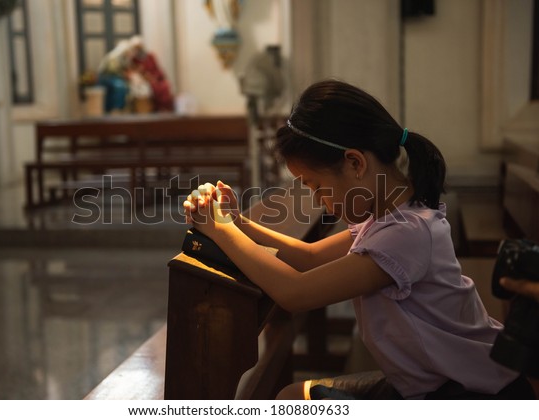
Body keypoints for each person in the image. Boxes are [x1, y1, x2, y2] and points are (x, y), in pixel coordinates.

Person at [183, 79, 535, 399]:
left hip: (469, 393)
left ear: (354, 163)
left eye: (317, 186)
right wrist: (239, 222)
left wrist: (220, 230)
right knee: (292, 398)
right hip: (431, 381)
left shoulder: (407, 232)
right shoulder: (389, 215)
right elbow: (309, 257)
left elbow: (296, 293)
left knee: (292, 402)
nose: (320, 199)